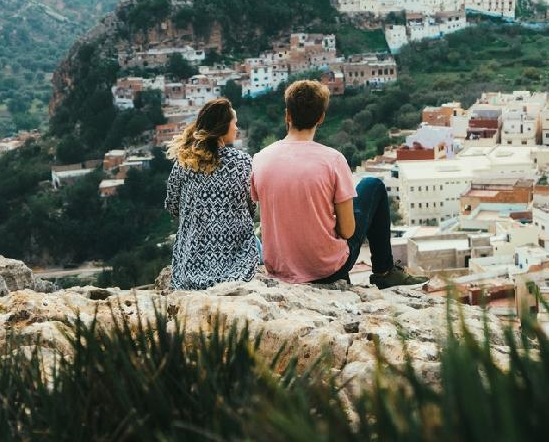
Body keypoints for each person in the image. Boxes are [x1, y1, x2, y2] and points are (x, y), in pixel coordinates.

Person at [251, 79, 427, 289]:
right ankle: (384, 272)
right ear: (321, 118)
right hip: (326, 270)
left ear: (287, 115)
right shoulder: (332, 160)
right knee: (373, 185)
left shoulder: (261, 158)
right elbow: (347, 231)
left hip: (279, 268)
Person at [165, 97, 259, 289]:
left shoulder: (184, 162)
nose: (236, 128)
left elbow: (172, 205)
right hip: (236, 256)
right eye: (234, 123)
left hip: (190, 259)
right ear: (223, 127)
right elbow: (251, 207)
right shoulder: (242, 162)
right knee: (259, 246)